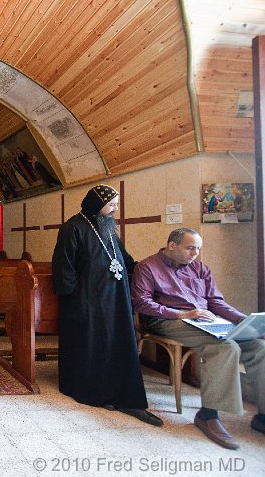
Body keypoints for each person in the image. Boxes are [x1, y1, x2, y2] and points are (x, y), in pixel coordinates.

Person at [131, 228, 265, 449]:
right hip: (167, 320)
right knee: (225, 348)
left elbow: (216, 302)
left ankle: (262, 416)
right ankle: (208, 414)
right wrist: (181, 314)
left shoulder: (201, 268)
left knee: (260, 346)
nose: (195, 253)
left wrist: (245, 321)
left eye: (198, 249)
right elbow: (142, 303)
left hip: (206, 320)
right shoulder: (148, 267)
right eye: (190, 248)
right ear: (171, 246)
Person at [52, 184, 162, 426]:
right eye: (110, 204)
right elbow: (64, 265)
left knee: (117, 342)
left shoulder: (109, 227)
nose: (114, 209)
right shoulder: (73, 227)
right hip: (86, 299)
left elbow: (122, 256)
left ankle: (120, 391)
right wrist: (72, 299)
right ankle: (93, 391)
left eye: (115, 205)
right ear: (95, 203)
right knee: (93, 343)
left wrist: (143, 270)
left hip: (115, 297)